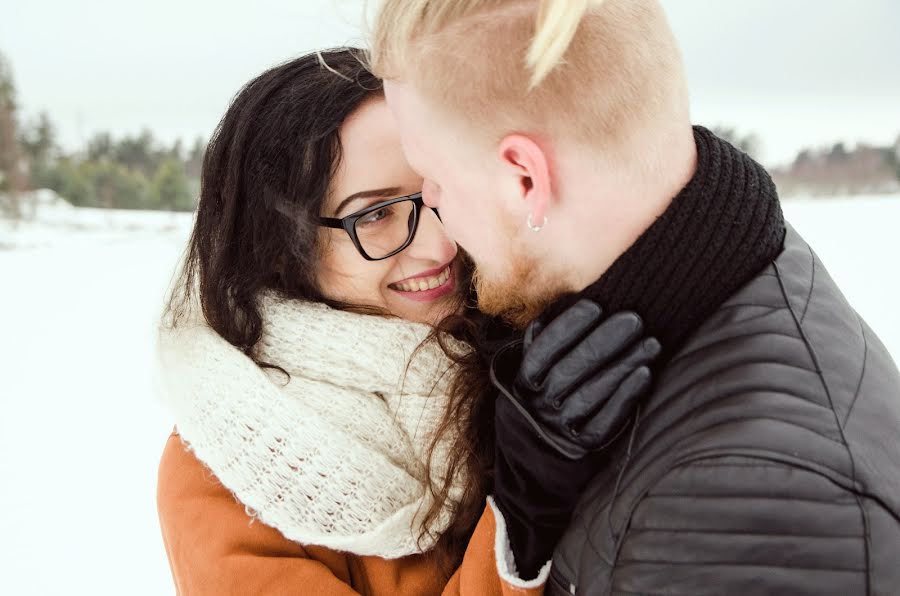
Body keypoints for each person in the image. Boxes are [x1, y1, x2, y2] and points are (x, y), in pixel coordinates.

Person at [369, 1, 900, 594]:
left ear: (525, 180)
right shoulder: (727, 266)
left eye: (433, 175)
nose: (434, 205)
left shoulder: (741, 515)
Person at [155, 48, 658, 595]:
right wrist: (521, 517)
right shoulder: (228, 466)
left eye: (438, 190)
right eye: (375, 214)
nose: (439, 244)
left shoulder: (534, 329)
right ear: (278, 248)